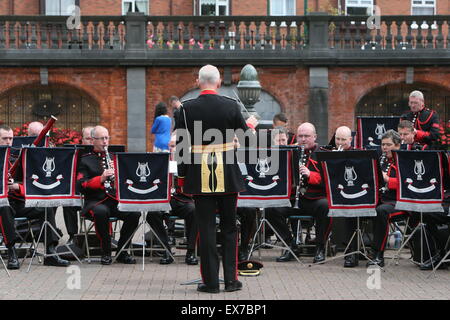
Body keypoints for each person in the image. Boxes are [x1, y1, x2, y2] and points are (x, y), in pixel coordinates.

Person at [176, 64, 256, 293]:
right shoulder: (231, 106)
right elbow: (247, 140)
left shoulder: (186, 108)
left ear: (198, 81)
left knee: (206, 229)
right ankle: (231, 280)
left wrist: (182, 177)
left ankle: (210, 282)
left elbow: (181, 148)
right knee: (230, 228)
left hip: (199, 178)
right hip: (228, 175)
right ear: (219, 82)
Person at [0, 125, 70, 268]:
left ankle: (50, 252)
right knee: (4, 208)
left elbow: (33, 184)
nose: (8, 142)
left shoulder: (18, 158)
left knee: (45, 207)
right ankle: (12, 252)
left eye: (10, 138)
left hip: (17, 201)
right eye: (4, 138)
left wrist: (16, 187)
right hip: (2, 204)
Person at [76, 125, 140, 265]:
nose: (105, 142)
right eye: (101, 139)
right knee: (101, 212)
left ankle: (122, 251)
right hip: (95, 201)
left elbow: (126, 181)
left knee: (134, 213)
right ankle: (105, 251)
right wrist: (101, 178)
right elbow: (81, 185)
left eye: (107, 138)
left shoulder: (115, 158)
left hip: (114, 200)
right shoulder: (85, 160)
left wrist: (118, 175)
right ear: (93, 140)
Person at [366, 130, 408, 268]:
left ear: (397, 145)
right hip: (382, 199)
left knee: (381, 211)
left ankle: (378, 254)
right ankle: (353, 252)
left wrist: (388, 179)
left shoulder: (405, 160)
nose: (384, 148)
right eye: (383, 144)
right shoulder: (381, 159)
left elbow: (408, 184)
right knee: (357, 205)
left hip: (399, 202)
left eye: (388, 144)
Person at [63, 126, 94, 245]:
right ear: (82, 140)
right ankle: (73, 236)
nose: (91, 142)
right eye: (88, 139)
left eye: (93, 139)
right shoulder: (75, 155)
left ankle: (106, 236)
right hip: (79, 192)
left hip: (98, 195)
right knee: (67, 203)